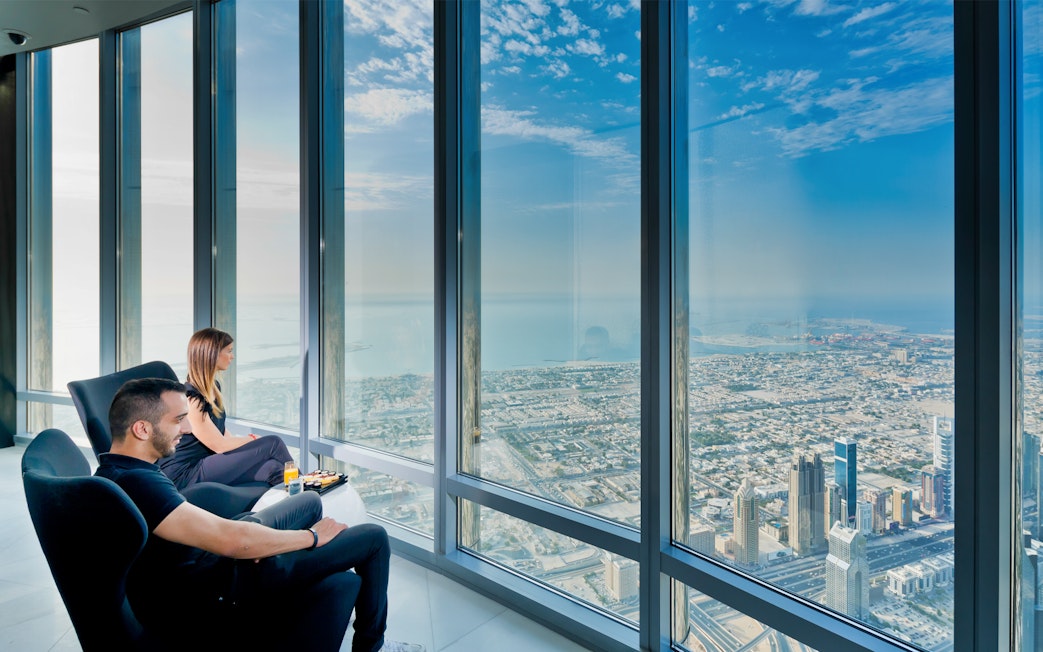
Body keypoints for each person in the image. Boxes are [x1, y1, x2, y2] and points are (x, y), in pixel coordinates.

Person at [96, 377, 424, 652]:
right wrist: (311, 538)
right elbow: (234, 542)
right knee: (374, 538)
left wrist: (247, 535)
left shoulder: (113, 473)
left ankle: (301, 576)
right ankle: (372, 645)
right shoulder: (140, 483)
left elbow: (203, 533)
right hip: (228, 581)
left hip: (214, 555)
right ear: (142, 429)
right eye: (177, 420)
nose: (185, 428)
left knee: (309, 501)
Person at [160, 327, 293, 490]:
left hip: (206, 463)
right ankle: (308, 487)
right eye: (229, 351)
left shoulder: (213, 388)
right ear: (213, 354)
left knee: (272, 469)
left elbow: (221, 432)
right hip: (186, 473)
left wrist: (247, 444)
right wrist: (252, 439)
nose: (232, 356)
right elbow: (220, 445)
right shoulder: (192, 400)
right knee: (273, 443)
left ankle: (301, 500)